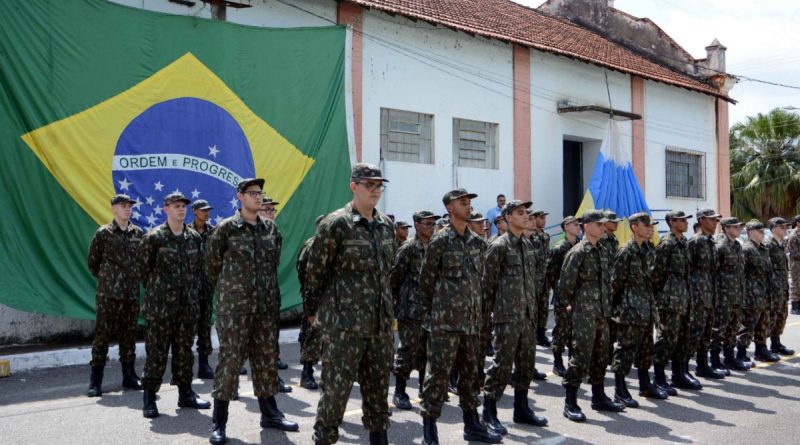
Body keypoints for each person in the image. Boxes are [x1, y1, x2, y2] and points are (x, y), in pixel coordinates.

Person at [304, 164, 395, 445]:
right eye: (370, 185)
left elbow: (387, 273)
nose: (376, 191)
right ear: (353, 186)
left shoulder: (386, 226)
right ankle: (324, 439)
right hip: (344, 327)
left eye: (379, 185)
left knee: (379, 395)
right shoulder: (336, 224)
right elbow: (315, 272)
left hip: (378, 327)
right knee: (335, 394)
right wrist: (313, 312)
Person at [206, 179, 298, 444]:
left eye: (260, 194)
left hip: (265, 308)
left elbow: (273, 264)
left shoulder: (271, 229)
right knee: (230, 361)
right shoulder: (226, 229)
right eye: (252, 193)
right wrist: (231, 292)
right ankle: (219, 422)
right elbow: (212, 266)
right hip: (235, 309)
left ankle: (270, 414)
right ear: (239, 196)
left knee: (266, 360)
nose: (258, 198)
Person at [419, 188, 501, 445]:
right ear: (450, 208)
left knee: (470, 376)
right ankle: (429, 430)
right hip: (445, 324)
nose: (468, 206)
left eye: (469, 203)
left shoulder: (478, 244)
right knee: (438, 378)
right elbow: (426, 282)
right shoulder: (440, 241)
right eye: (462, 203)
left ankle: (472, 424)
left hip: (472, 323)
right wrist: (435, 315)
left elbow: (480, 282)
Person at [138, 192, 210, 418]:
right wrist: (161, 291)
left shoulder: (193, 238)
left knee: (184, 353)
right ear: (165, 209)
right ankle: (149, 397)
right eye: (176, 206)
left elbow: (199, 270)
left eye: (183, 206)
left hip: (186, 307)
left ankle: (186, 393)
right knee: (156, 354)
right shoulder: (154, 238)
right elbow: (143, 271)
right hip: (160, 309)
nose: (181, 209)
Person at [481, 199, 548, 436]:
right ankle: (489, 412)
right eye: (520, 213)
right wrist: (485, 320)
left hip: (527, 316)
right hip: (506, 317)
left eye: (527, 212)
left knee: (526, 365)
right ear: (508, 217)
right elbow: (487, 285)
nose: (526, 216)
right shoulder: (499, 246)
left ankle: (521, 408)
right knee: (501, 365)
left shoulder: (527, 246)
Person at [559, 209, 624, 422]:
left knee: (601, 356)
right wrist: (570, 308)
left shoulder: (603, 250)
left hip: (602, 312)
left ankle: (599, 396)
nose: (602, 227)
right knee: (580, 357)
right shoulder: (578, 252)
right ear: (587, 227)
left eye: (603, 224)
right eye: (598, 224)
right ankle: (571, 402)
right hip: (584, 313)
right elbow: (565, 285)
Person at [86, 194, 143, 397]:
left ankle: (129, 376)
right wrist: (108, 279)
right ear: (113, 209)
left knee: (129, 337)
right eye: (123, 206)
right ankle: (96, 381)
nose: (127, 209)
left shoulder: (137, 233)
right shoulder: (104, 233)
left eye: (129, 206)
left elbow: (142, 262)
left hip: (130, 294)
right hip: (108, 294)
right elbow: (93, 262)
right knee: (102, 337)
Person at [610, 213, 667, 408]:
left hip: (646, 307)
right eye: (647, 225)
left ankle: (645, 384)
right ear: (635, 227)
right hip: (629, 309)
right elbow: (615, 283)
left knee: (645, 350)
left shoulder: (649, 249)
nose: (651, 228)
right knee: (625, 350)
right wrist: (616, 311)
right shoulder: (626, 251)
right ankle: (620, 389)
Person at [390, 210, 439, 410]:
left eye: (433, 224)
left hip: (431, 309)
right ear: (417, 225)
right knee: (407, 351)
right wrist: (397, 304)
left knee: (426, 352)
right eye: (427, 224)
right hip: (410, 310)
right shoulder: (408, 249)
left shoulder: (436, 247)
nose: (431, 227)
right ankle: (399, 391)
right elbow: (394, 278)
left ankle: (422, 388)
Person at [651, 210, 699, 394]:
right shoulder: (667, 244)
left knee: (682, 338)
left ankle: (679, 374)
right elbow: (656, 274)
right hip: (670, 300)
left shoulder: (683, 242)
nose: (686, 223)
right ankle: (659, 376)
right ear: (671, 222)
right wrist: (661, 298)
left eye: (686, 220)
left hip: (684, 298)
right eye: (681, 220)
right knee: (667, 339)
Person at [686, 209, 725, 380]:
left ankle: (703, 365)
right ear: (701, 220)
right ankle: (682, 370)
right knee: (694, 333)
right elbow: (686, 269)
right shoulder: (695, 242)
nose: (715, 223)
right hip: (697, 295)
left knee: (706, 333)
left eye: (717, 220)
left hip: (710, 294)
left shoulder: (711, 242)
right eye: (712, 220)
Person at [258, 196, 291, 392]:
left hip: (269, 293)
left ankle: (273, 380)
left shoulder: (275, 233)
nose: (271, 213)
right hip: (246, 298)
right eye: (267, 209)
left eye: (273, 210)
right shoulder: (244, 231)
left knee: (270, 339)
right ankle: (232, 385)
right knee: (239, 345)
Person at [712, 217, 749, 373]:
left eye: (739, 227)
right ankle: (714, 360)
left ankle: (729, 358)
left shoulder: (737, 246)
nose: (738, 229)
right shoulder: (720, 247)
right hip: (724, 295)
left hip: (737, 294)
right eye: (735, 227)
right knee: (719, 329)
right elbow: (713, 272)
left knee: (733, 328)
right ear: (726, 228)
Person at [738, 220, 778, 363]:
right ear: (750, 232)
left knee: (763, 323)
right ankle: (741, 353)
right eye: (759, 231)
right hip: (751, 294)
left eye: (763, 231)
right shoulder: (746, 249)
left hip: (764, 292)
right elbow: (741, 273)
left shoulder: (763, 249)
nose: (762, 234)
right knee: (748, 325)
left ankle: (761, 350)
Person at [546, 216, 581, 377]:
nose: (578, 226)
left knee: (575, 331)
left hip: (578, 295)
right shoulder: (559, 248)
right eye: (574, 224)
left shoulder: (579, 246)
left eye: (579, 224)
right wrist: (561, 293)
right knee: (561, 330)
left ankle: (572, 362)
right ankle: (557, 361)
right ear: (566, 227)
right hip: (563, 296)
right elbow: (551, 273)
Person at [297, 214, 327, 391]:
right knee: (312, 337)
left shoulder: (333, 246)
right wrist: (311, 305)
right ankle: (306, 374)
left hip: (332, 299)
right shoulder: (312, 246)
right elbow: (305, 275)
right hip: (315, 298)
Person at [188, 199, 216, 380]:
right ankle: (184, 366)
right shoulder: (186, 232)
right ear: (195, 212)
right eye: (203, 210)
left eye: (208, 210)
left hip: (207, 287)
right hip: (190, 288)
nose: (207, 213)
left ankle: (204, 365)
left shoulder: (213, 232)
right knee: (188, 328)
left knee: (205, 327)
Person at [766, 217, 795, 356]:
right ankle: (763, 347)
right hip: (774, 288)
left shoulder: (782, 244)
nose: (785, 229)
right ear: (773, 228)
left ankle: (776, 343)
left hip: (783, 286)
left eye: (785, 227)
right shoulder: (768, 245)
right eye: (781, 227)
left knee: (781, 316)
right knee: (771, 317)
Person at [600, 210, 621, 362]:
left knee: (614, 321)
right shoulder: (601, 239)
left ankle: (609, 350)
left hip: (613, 286)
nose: (616, 223)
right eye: (613, 221)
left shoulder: (614, 240)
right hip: (603, 286)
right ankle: (603, 352)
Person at [530, 209, 551, 348]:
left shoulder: (546, 236)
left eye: (545, 218)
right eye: (541, 218)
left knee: (544, 306)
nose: (544, 220)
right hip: (533, 277)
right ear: (534, 219)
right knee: (534, 307)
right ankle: (532, 334)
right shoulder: (530, 236)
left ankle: (541, 333)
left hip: (545, 277)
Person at [786, 215, 800, 315]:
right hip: (796, 266)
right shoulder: (793, 236)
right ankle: (795, 307)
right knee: (796, 286)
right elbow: (795, 254)